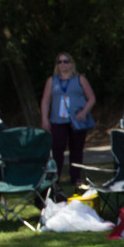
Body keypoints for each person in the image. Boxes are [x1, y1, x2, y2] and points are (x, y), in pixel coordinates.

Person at [39, 52, 96, 189]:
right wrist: (44, 119)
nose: (63, 64)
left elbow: (91, 98)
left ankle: (76, 177)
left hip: (77, 121)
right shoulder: (52, 81)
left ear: (71, 63)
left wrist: (84, 112)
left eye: (66, 61)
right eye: (59, 62)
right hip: (57, 120)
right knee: (57, 150)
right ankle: (55, 178)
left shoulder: (80, 79)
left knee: (77, 149)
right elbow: (46, 101)